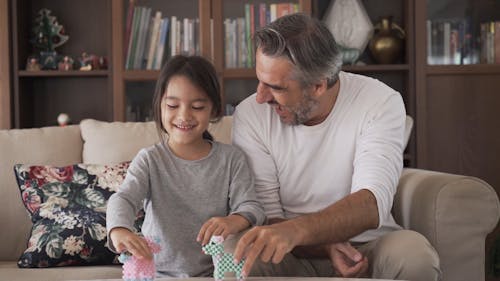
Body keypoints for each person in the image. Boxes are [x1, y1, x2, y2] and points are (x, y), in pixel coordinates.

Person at [230, 13, 441, 281]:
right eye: (259, 80)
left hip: (367, 246)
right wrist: (321, 244)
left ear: (318, 85)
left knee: (415, 255)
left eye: (276, 87)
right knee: (236, 254)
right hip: (288, 252)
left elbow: (371, 203)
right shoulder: (251, 114)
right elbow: (268, 217)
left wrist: (298, 230)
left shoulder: (379, 101)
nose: (260, 97)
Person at [106, 55, 265, 277]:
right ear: (159, 106)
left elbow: (251, 207)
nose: (184, 115)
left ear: (214, 109)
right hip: (157, 272)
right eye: (172, 105)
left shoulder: (231, 159)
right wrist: (119, 230)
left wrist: (232, 221)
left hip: (215, 273)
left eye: (198, 106)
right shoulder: (150, 160)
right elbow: (123, 198)